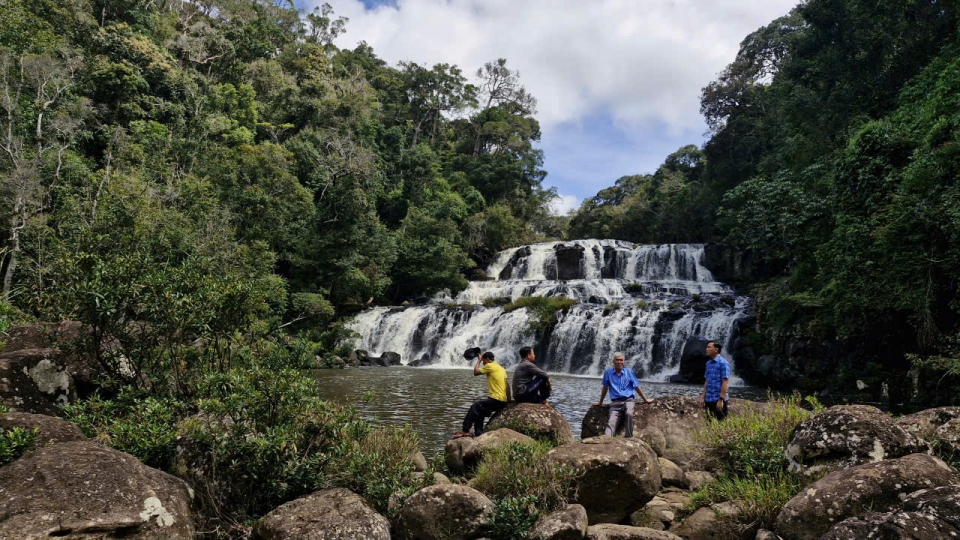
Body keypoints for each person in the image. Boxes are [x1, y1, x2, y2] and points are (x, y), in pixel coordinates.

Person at [593, 352, 653, 437]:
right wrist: (600, 402)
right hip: (615, 403)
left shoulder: (629, 372)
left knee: (629, 413)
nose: (619, 362)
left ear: (624, 361)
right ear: (613, 361)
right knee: (611, 421)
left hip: (628, 400)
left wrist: (645, 399)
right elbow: (605, 388)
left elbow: (636, 386)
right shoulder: (608, 373)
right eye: (617, 360)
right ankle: (607, 438)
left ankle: (628, 437)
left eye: (621, 360)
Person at [453, 351, 510, 439]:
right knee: (480, 411)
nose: (483, 363)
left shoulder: (490, 366)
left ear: (487, 359)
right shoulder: (501, 368)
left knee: (475, 406)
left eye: (483, 360)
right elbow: (507, 386)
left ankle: (465, 431)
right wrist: (508, 401)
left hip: (496, 399)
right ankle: (478, 434)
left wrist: (478, 360)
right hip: (502, 401)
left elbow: (475, 372)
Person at [699, 340, 731, 420]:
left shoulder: (723, 363)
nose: (706, 349)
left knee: (721, 426)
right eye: (706, 347)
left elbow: (725, 382)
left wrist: (721, 399)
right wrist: (703, 397)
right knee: (709, 425)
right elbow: (707, 381)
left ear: (716, 350)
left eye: (709, 347)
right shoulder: (708, 363)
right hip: (709, 399)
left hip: (718, 400)